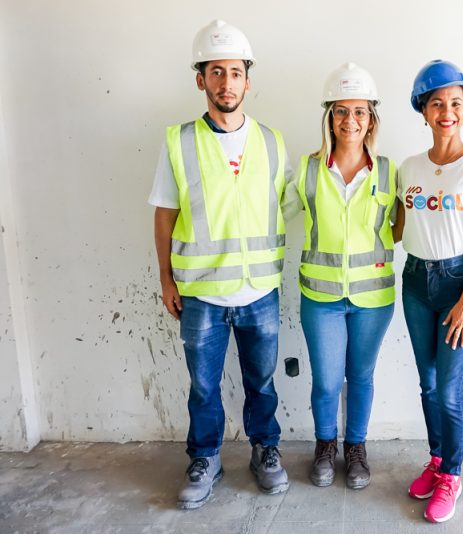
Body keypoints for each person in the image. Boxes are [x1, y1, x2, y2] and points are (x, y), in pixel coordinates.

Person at [148, 20, 291, 509]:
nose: (226, 82)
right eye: (216, 72)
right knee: (204, 386)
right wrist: (166, 277)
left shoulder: (273, 143)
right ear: (200, 80)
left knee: (262, 383)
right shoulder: (179, 142)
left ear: (248, 80)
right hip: (201, 294)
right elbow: (164, 215)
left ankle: (265, 449)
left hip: (260, 291)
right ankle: (205, 458)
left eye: (235, 72)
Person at [394, 60, 463, 523]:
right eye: (437, 103)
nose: (447, 111)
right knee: (427, 382)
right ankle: (437, 460)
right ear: (423, 110)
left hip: (461, 282)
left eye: (455, 103)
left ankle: (453, 476)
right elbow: (396, 229)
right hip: (416, 281)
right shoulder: (409, 168)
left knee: (449, 388)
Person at [282, 63, 396, 490]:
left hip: (373, 299)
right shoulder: (309, 169)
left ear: (372, 119)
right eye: (342, 111)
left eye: (360, 112)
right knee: (327, 379)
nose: (351, 121)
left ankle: (357, 448)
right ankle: (325, 445)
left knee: (361, 378)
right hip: (321, 297)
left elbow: (402, 227)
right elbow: (278, 213)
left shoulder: (387, 170)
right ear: (329, 116)